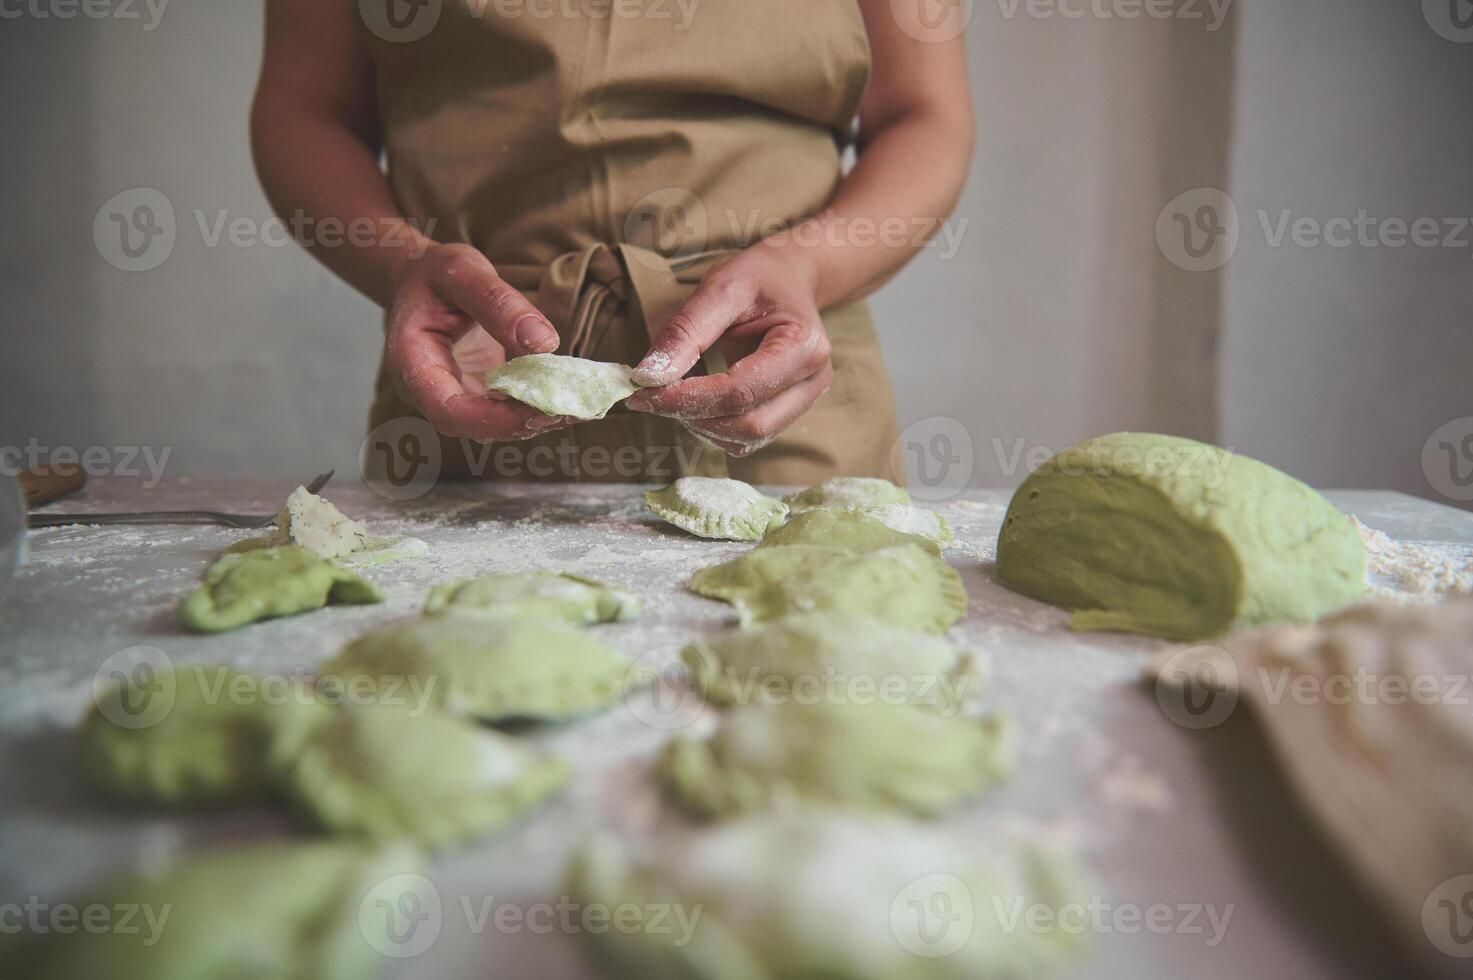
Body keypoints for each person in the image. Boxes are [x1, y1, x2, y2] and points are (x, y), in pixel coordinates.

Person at [251, 0, 972, 484]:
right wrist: (402, 265)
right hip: (472, 372)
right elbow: (306, 108)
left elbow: (923, 113)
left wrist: (806, 267)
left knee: (816, 694)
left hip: (779, 386)